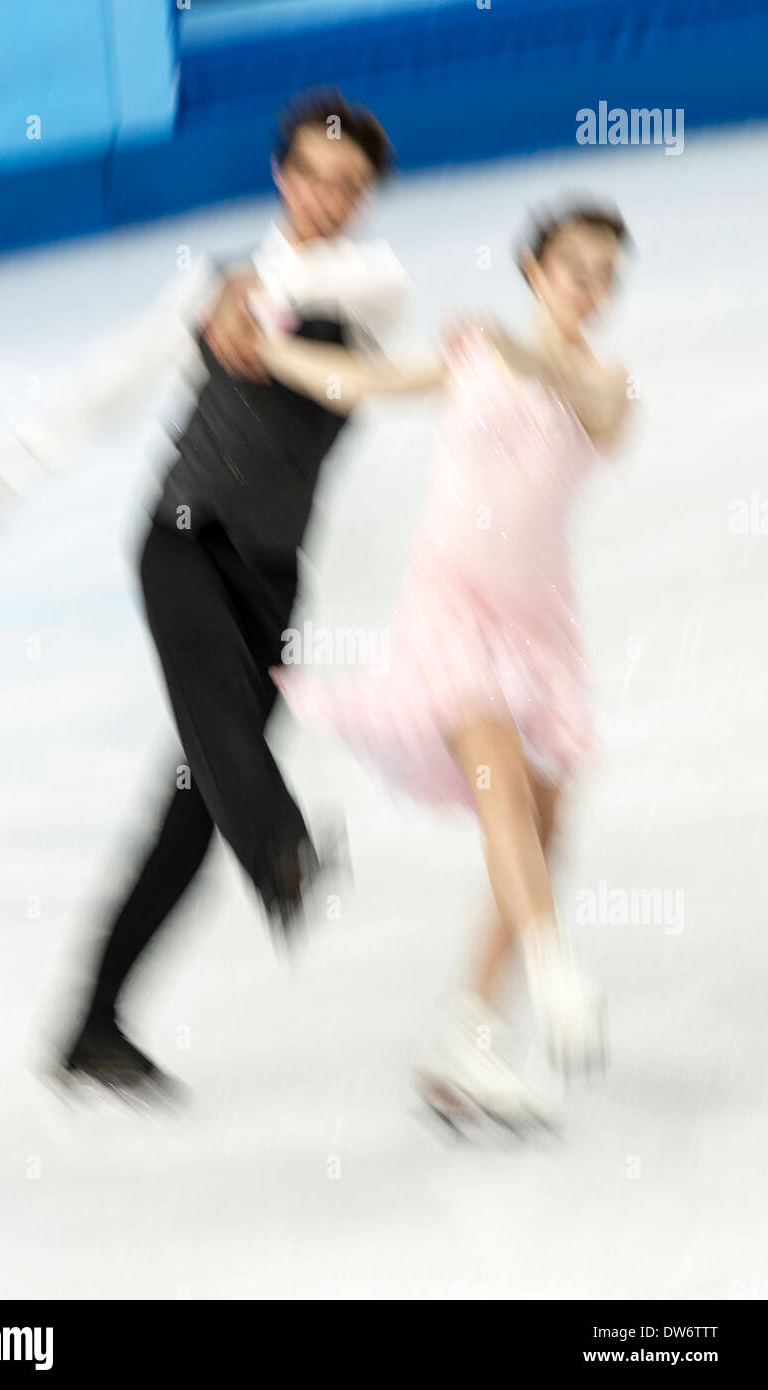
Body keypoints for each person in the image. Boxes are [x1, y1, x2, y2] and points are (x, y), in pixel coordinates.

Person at [0, 88, 417, 1098]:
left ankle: (94, 1021)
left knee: (194, 799)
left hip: (274, 573)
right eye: (312, 178)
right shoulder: (209, 289)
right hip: (181, 540)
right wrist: (5, 472)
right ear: (281, 178)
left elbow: (327, 286)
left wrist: (256, 294)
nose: (329, 198)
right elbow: (103, 388)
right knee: (218, 723)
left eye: (350, 185)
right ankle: (284, 845)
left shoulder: (376, 290)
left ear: (367, 195)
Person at [247, 198, 635, 1132]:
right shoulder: (470, 355)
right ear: (536, 268)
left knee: (544, 829)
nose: (592, 286)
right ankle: (553, 970)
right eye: (575, 266)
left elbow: (586, 404)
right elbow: (363, 384)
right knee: (501, 786)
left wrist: (520, 347)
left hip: (541, 628)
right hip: (449, 607)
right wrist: (273, 351)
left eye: (607, 274)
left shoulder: (610, 384)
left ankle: (467, 1040)